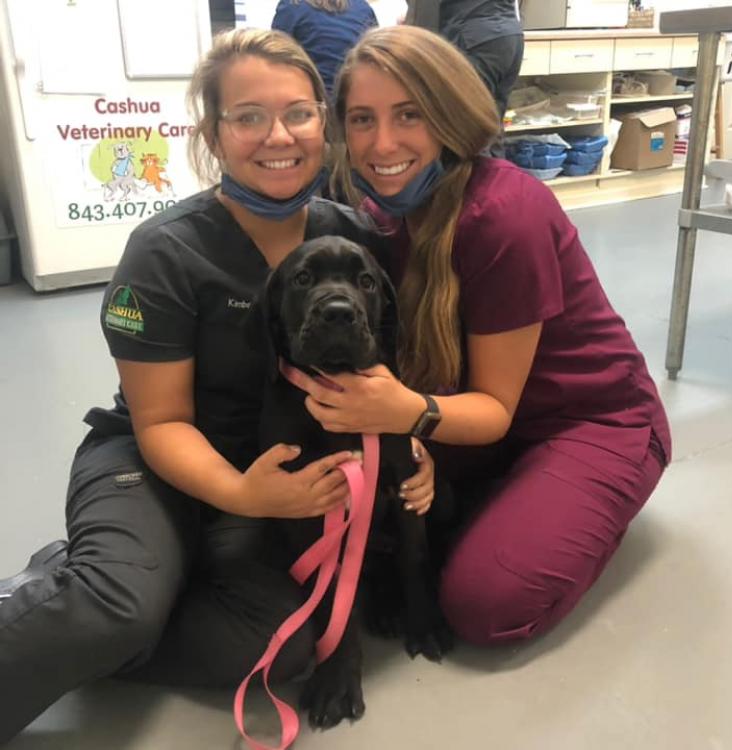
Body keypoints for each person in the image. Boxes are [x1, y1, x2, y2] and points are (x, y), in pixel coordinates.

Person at [0, 27, 434, 743]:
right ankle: (87, 591)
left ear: (322, 125)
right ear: (212, 133)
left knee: (285, 647)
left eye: (298, 113)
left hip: (276, 481)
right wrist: (242, 494)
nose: (278, 136)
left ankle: (115, 593)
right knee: (120, 607)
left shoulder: (352, 235)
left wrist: (416, 439)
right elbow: (160, 422)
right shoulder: (165, 251)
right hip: (157, 462)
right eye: (248, 116)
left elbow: (384, 360)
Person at [287, 24, 672, 647]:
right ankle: (515, 504)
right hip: (473, 421)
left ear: (450, 113)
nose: (382, 143)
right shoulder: (379, 216)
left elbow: (492, 407)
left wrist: (408, 416)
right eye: (361, 119)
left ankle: (593, 503)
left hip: (589, 421)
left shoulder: (503, 216)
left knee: (484, 603)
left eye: (409, 114)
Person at [403, 0, 524, 124]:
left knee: (462, 119)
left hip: (474, 38)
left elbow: (422, 19)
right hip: (510, 33)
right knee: (491, 118)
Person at [271, 0, 378, 101]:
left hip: (314, 99)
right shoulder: (363, 8)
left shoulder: (292, 6)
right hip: (355, 99)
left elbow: (274, 58)